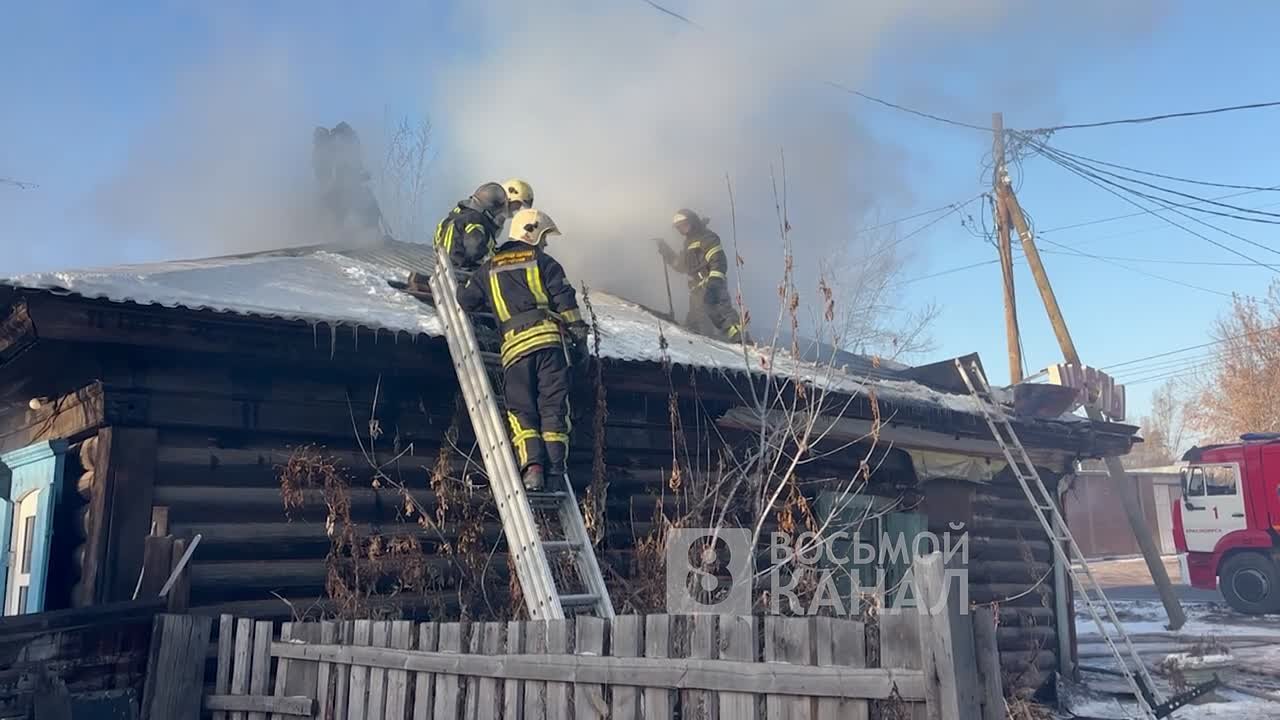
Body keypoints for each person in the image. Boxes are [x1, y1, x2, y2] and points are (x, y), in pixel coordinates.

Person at [457, 208, 588, 491]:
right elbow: (566, 302)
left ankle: (533, 469)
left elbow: (466, 300)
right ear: (532, 233)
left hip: (514, 351)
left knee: (521, 410)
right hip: (549, 346)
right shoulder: (544, 262)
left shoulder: (488, 268)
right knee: (553, 406)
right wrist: (580, 338)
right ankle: (556, 470)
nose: (545, 244)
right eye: (543, 237)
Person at [656, 208, 748, 343]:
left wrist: (714, 282)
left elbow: (718, 260)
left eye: (685, 224)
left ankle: (743, 344)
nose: (683, 229)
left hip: (711, 284)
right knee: (694, 324)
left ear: (693, 221)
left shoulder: (706, 237)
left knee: (722, 316)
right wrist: (667, 252)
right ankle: (701, 349)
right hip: (697, 290)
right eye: (679, 227)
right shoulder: (689, 243)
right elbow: (681, 266)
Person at [434, 182, 510, 271]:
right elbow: (474, 250)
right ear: (489, 210)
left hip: (444, 267)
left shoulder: (456, 215)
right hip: (463, 272)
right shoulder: (476, 224)